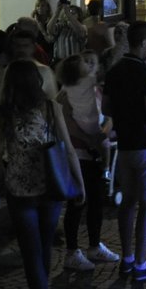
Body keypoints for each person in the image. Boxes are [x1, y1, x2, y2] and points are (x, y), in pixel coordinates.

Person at [0, 59, 85, 289]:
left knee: (31, 253)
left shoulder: (3, 114)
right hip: (51, 187)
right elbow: (67, 149)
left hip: (20, 191)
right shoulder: (51, 108)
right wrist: (80, 186)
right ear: (37, 82)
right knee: (43, 248)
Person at [103, 21, 146, 281]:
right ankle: (141, 264)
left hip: (125, 146)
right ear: (142, 43)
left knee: (127, 203)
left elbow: (106, 109)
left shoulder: (115, 71)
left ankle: (126, 259)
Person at [57, 52, 119, 271]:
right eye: (86, 61)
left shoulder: (97, 88)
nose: (92, 64)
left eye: (94, 61)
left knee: (95, 202)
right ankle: (72, 252)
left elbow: (109, 116)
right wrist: (92, 140)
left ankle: (94, 245)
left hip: (96, 151)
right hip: (78, 153)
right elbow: (67, 122)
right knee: (77, 203)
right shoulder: (67, 92)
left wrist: (103, 134)